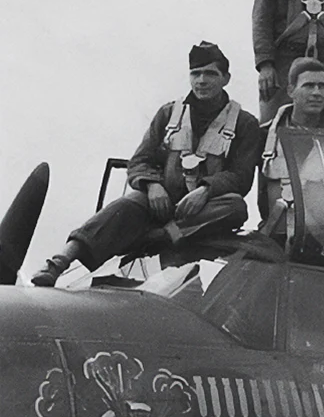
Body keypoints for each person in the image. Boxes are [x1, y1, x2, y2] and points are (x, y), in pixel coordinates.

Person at [31, 42, 260, 287]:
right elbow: (140, 161)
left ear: (226, 78)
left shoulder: (245, 124)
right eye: (196, 73)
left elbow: (241, 176)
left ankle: (158, 237)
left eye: (210, 74)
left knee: (235, 207)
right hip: (160, 202)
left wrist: (205, 190)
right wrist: (152, 186)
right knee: (123, 206)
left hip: (203, 208)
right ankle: (58, 263)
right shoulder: (169, 113)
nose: (202, 80)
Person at [257, 57, 324, 227]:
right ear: (290, 91)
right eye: (309, 86)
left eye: (322, 86)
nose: (317, 93)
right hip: (274, 232)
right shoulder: (264, 135)